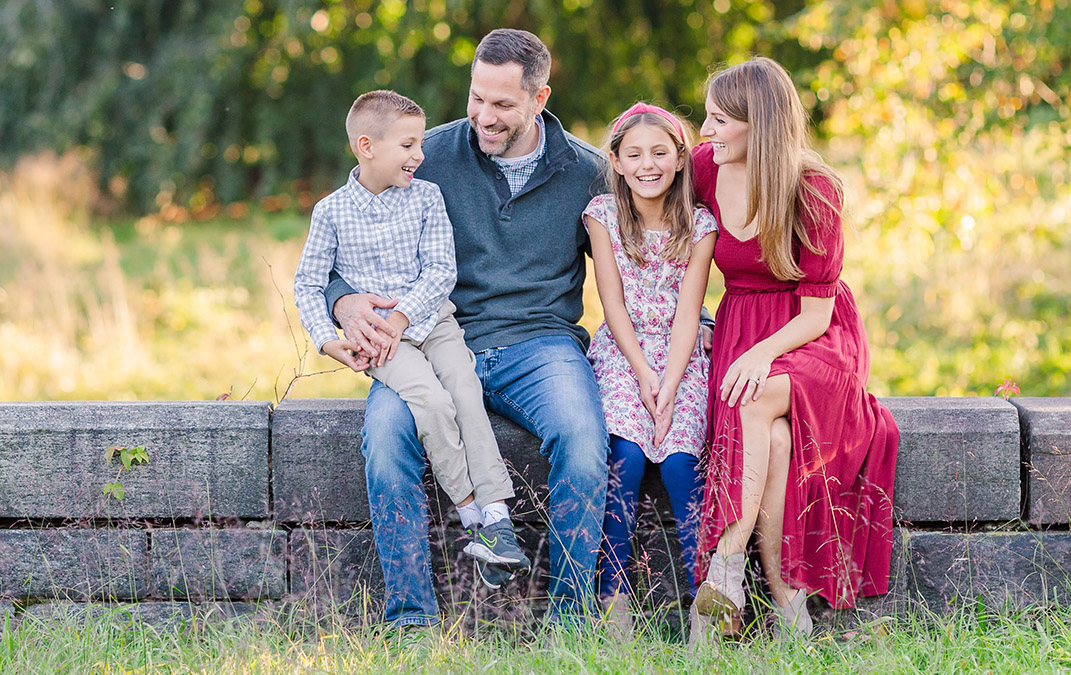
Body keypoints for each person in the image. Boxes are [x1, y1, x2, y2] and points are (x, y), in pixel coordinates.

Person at [322, 29, 611, 625]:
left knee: (583, 443)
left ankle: (571, 621)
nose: (483, 115)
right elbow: (341, 236)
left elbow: (642, 261)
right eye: (476, 97)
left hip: (542, 345)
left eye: (503, 104)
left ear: (539, 98)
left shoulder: (586, 171)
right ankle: (411, 621)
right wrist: (343, 300)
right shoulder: (425, 155)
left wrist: (702, 320)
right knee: (384, 439)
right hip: (430, 338)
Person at [689, 57, 900, 641]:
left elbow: (817, 313)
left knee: (752, 398)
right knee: (776, 437)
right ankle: (788, 605)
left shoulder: (815, 189)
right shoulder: (707, 168)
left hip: (812, 338)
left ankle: (726, 568)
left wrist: (762, 355)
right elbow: (646, 199)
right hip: (742, 323)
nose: (705, 133)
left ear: (759, 124)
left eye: (719, 120)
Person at [293, 90, 532, 598]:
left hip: (431, 320)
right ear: (366, 147)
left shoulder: (426, 197)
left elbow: (441, 269)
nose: (419, 155)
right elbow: (309, 283)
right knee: (431, 401)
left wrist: (403, 315)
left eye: (420, 142)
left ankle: (498, 515)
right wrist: (324, 339)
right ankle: (472, 519)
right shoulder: (331, 213)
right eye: (407, 144)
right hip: (382, 341)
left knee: (466, 391)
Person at [584, 103, 717, 637]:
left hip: (682, 353)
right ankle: (614, 603)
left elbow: (690, 313)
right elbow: (611, 304)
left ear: (680, 159)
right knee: (628, 459)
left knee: (685, 465)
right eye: (634, 154)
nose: (648, 164)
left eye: (660, 152)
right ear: (615, 161)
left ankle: (706, 607)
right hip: (623, 352)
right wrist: (642, 375)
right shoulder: (602, 215)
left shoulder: (701, 224)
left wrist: (669, 384)